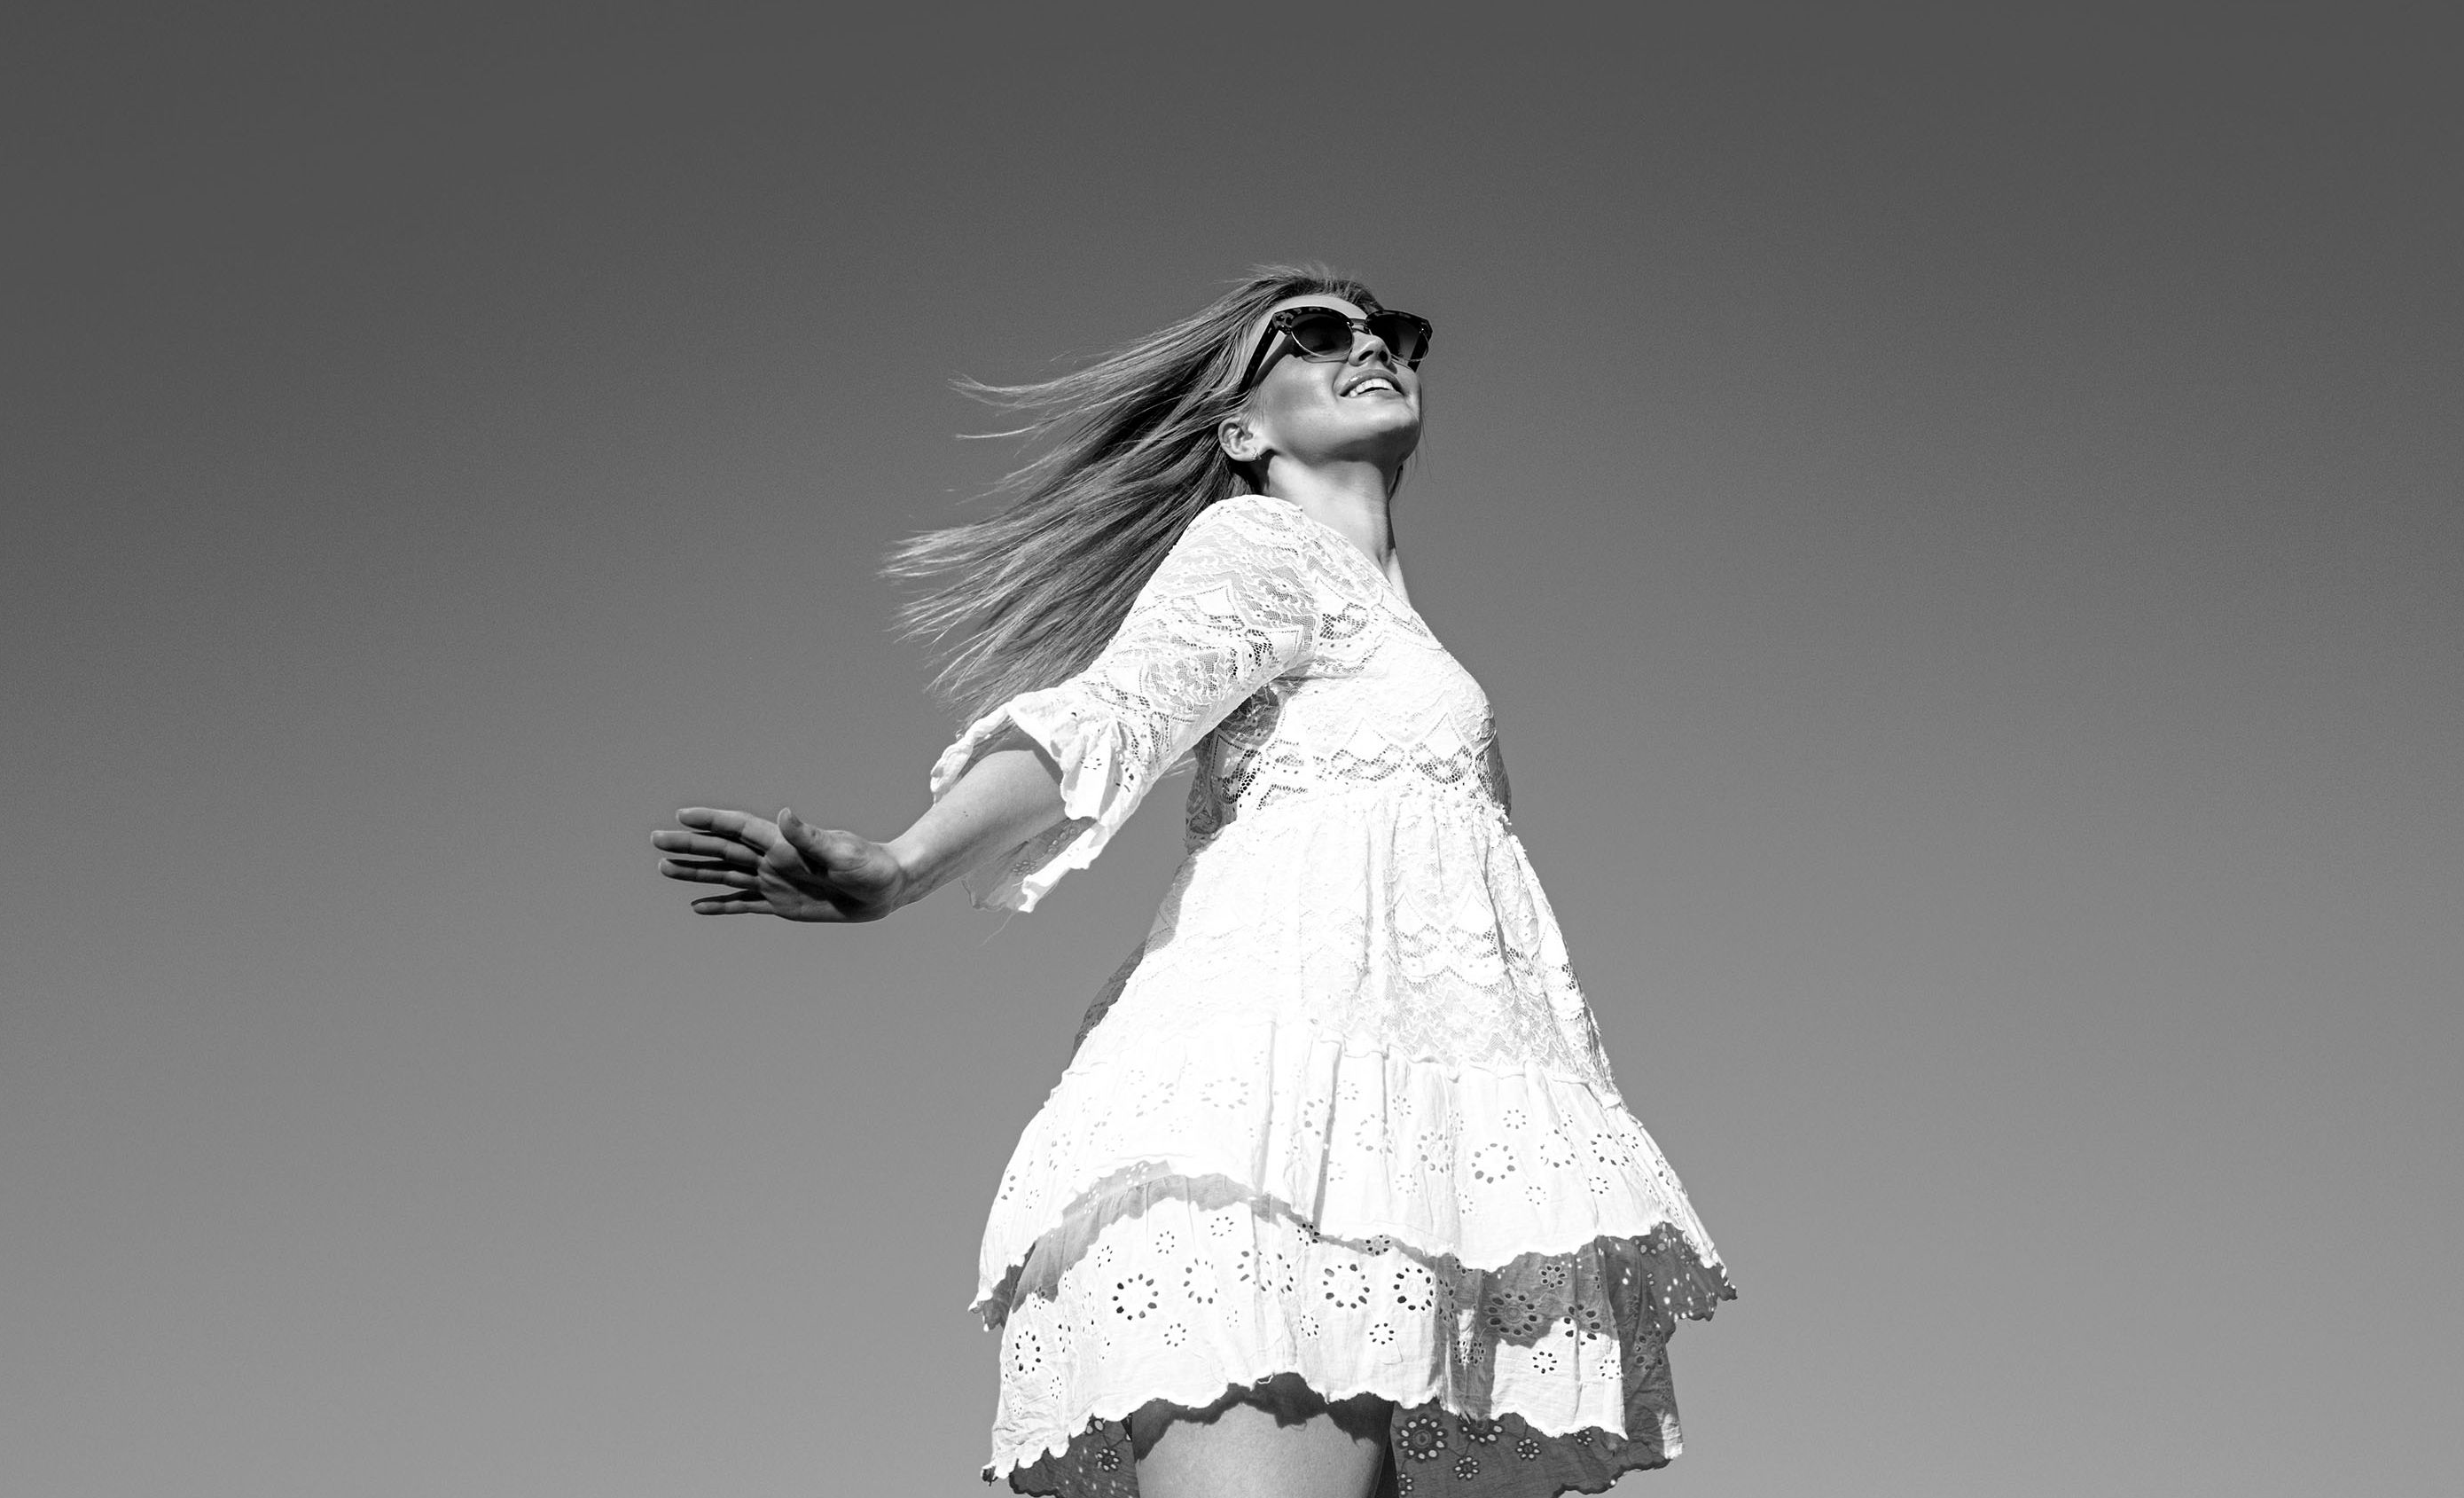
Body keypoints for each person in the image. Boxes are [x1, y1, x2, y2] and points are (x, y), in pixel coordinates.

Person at [652, 267, 1731, 1498]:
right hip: (1259, 1158)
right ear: (1242, 432)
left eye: (1393, 332)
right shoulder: (1262, 548)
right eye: (1315, 335)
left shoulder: (1400, 634)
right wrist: (905, 863)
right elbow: (1119, 712)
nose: (1370, 347)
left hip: (1376, 1166)